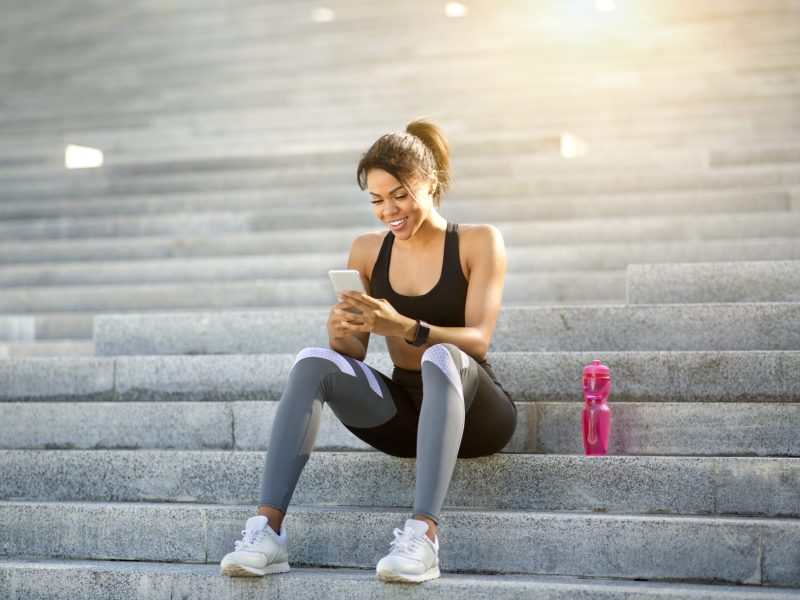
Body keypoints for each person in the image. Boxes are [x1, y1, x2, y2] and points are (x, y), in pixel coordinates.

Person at [220, 119, 517, 583]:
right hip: (406, 419)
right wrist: (339, 329)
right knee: (313, 360)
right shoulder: (366, 250)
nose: (389, 210)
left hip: (474, 411)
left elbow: (479, 339)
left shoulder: (477, 242)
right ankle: (267, 531)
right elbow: (352, 351)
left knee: (439, 356)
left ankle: (423, 538)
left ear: (430, 183)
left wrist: (405, 327)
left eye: (400, 195)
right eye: (377, 200)